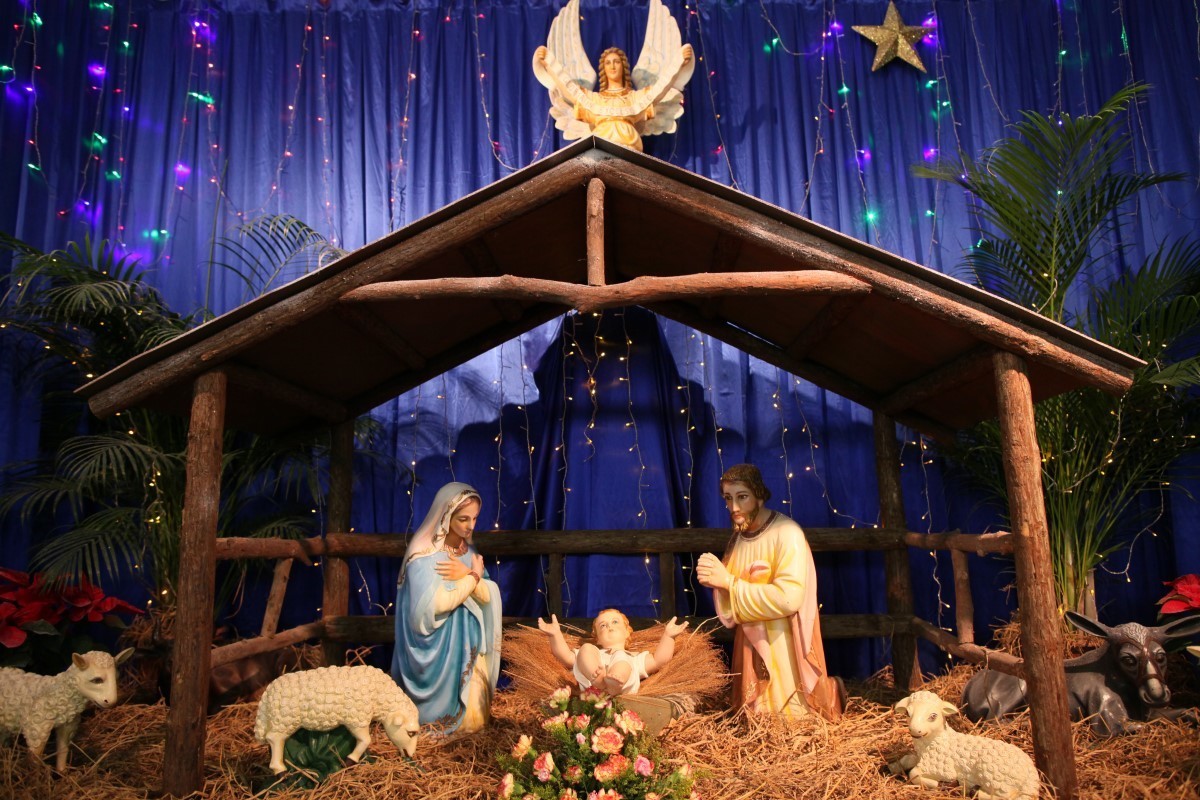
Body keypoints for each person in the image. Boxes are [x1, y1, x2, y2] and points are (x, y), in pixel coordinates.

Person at [696, 464, 843, 720]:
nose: (734, 507)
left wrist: (729, 582)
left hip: (782, 641)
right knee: (755, 713)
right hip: (750, 642)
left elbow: (789, 598)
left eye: (742, 497)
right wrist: (717, 583)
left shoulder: (787, 533)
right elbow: (730, 601)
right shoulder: (738, 539)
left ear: (760, 495)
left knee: (788, 714)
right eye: (728, 498)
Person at [391, 482, 501, 734]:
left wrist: (470, 577)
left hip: (468, 647)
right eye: (463, 519)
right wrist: (472, 577)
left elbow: (488, 596)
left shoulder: (468, 552)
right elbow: (435, 606)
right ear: (445, 515)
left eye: (474, 518)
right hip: (437, 652)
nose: (471, 525)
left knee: (474, 723)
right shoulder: (423, 557)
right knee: (446, 723)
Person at [532, 41, 693, 152]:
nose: (613, 66)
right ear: (603, 69)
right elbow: (569, 90)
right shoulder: (595, 100)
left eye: (616, 62)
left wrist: (679, 64)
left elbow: (660, 89)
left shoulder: (634, 98)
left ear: (623, 67)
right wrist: (549, 65)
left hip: (630, 149)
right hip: (599, 150)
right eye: (608, 63)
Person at [538, 608, 688, 695]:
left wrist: (669, 636)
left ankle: (615, 682)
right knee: (586, 649)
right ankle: (598, 680)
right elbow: (565, 656)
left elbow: (659, 661)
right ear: (597, 639)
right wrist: (555, 635)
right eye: (602, 625)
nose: (609, 626)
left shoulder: (633, 657)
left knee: (620, 655)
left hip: (622, 689)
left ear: (627, 632)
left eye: (615, 622)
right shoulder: (595, 652)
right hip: (591, 690)